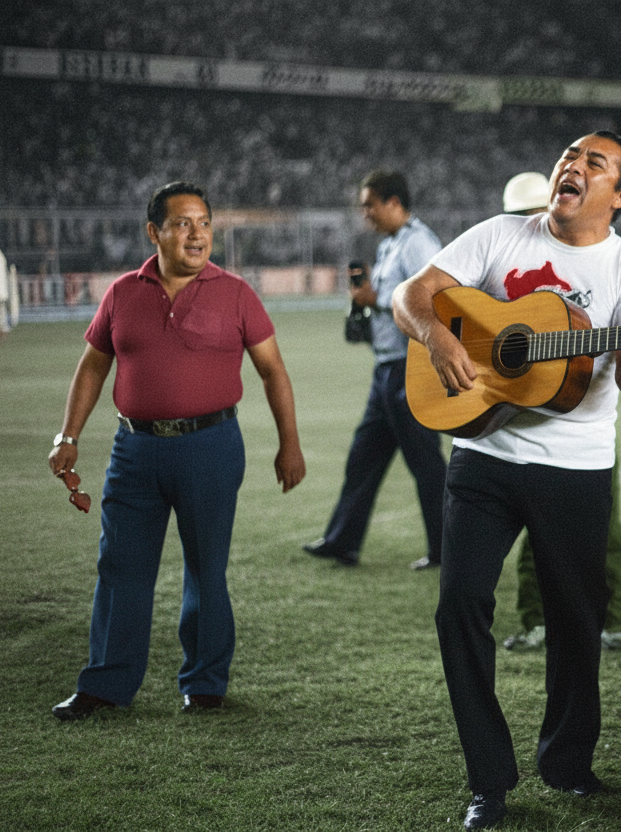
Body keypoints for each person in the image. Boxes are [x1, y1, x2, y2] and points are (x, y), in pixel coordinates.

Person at [393, 131, 621, 830]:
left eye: (595, 163)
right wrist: (439, 337)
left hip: (576, 469)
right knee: (459, 604)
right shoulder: (500, 235)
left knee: (576, 624)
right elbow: (413, 294)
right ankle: (487, 780)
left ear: (620, 195)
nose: (572, 166)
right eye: (569, 156)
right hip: (483, 458)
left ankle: (567, 761)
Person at [47, 181, 306, 721]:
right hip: (134, 450)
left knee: (206, 568)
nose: (197, 234)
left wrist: (290, 444)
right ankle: (107, 683)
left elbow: (272, 370)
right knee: (120, 567)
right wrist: (68, 435)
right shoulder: (121, 292)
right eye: (183, 223)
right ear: (154, 232)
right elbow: (94, 364)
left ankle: (204, 682)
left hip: (211, 446)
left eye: (205, 223)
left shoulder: (236, 292)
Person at [496, 171, 621, 652]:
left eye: (527, 214)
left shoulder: (601, 261)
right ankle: (537, 621)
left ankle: (610, 618)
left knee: (604, 527)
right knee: (533, 535)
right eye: (517, 216)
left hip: (581, 426)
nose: (522, 224)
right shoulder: (501, 258)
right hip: (510, 419)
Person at [303, 170, 447, 568]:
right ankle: (342, 540)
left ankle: (447, 549)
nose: (364, 212)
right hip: (386, 368)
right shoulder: (391, 245)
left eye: (369, 204)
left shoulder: (419, 243)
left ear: (394, 203)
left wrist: (377, 298)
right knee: (363, 457)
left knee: (425, 463)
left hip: (410, 368)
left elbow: (436, 298)